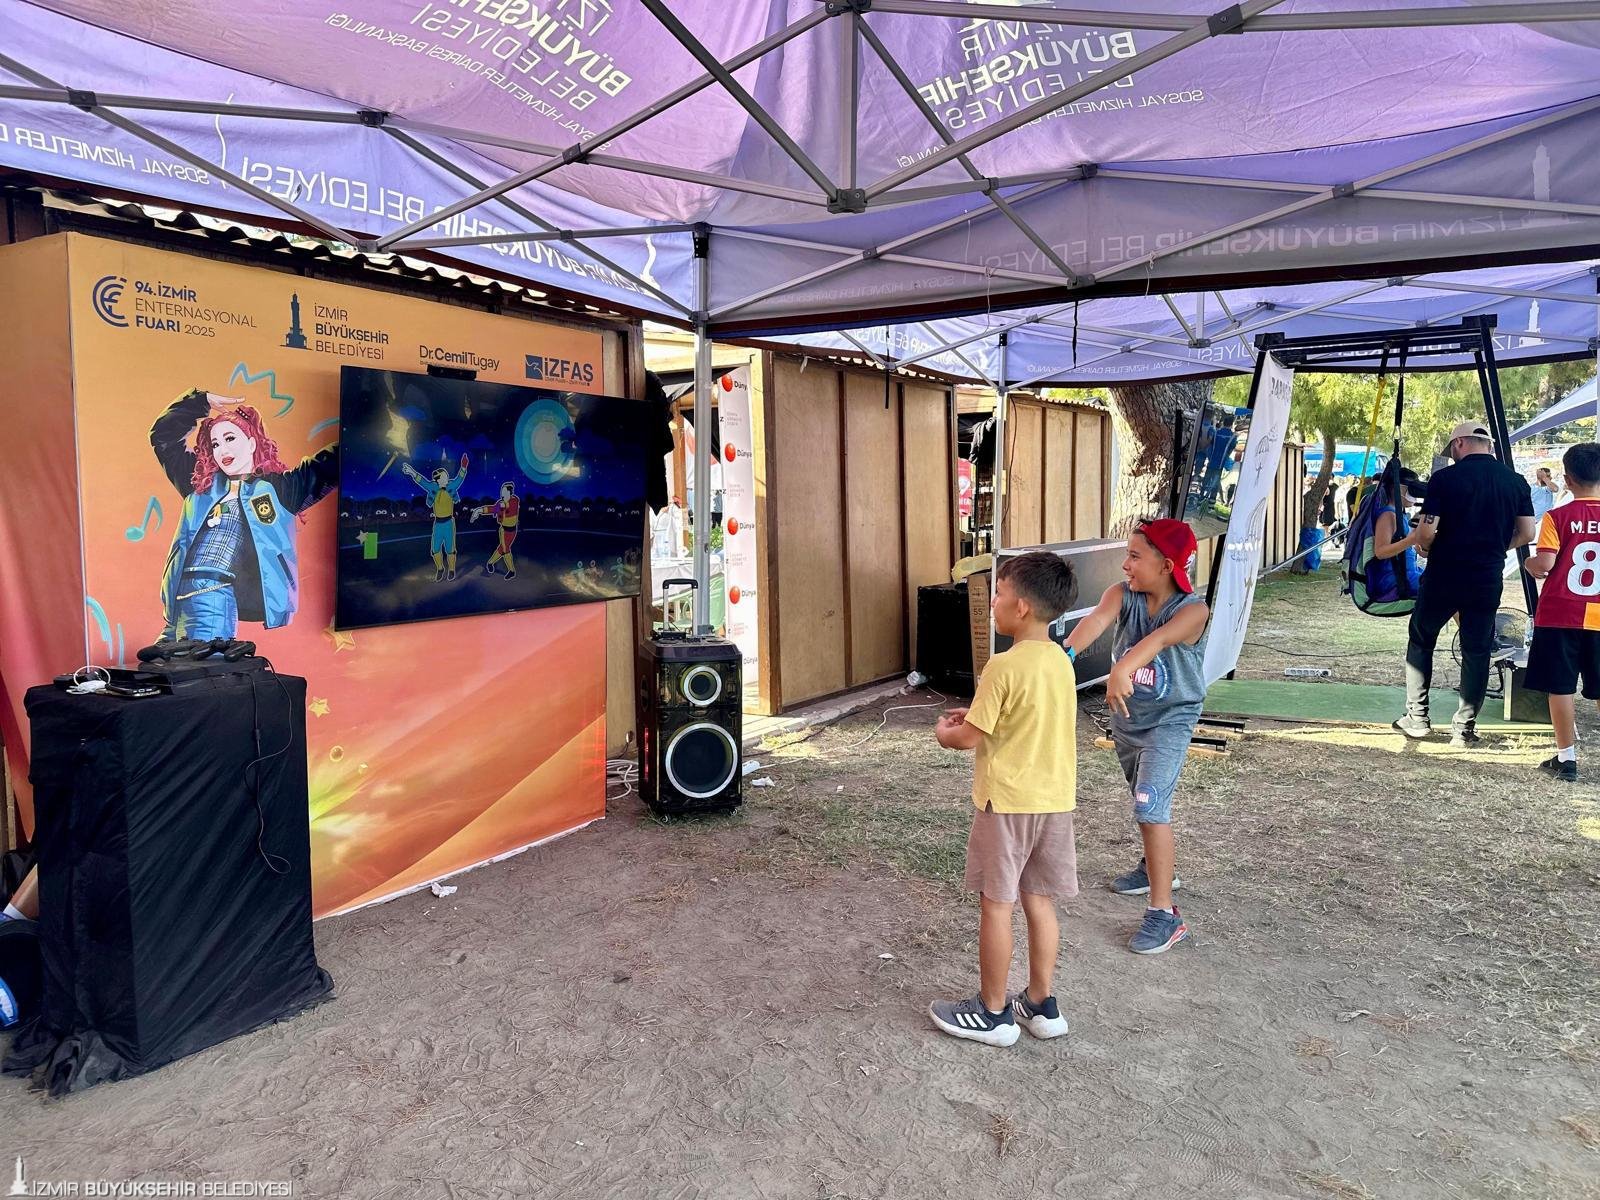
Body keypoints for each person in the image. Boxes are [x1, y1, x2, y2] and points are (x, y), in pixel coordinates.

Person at [929, 552, 1079, 1046]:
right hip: (1053, 803)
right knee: (1039, 900)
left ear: (1021, 607)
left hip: (1007, 805)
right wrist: (975, 713)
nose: (992, 602)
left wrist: (945, 732)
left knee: (997, 904)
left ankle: (993, 1012)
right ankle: (1040, 1003)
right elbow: (1024, 716)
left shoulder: (1002, 664)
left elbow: (969, 738)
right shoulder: (1060, 662)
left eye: (998, 593)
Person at [1065, 519, 1209, 955]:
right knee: (1147, 802)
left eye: (1134, 556)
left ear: (1166, 566)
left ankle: (1165, 915)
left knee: (1148, 805)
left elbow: (1160, 640)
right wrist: (1061, 656)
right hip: (1129, 721)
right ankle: (1155, 868)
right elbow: (1094, 622)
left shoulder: (1193, 611)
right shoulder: (1121, 595)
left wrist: (1123, 667)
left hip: (1170, 720)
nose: (1125, 565)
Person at [151, 390, 338, 641]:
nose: (222, 449)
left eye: (230, 438)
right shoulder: (200, 482)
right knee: (165, 663)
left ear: (251, 443)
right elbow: (163, 437)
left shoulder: (281, 489)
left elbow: (333, 462)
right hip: (176, 603)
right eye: (215, 444)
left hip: (214, 595)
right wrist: (199, 402)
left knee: (201, 659)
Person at [1394, 421, 1536, 746]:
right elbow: (1527, 533)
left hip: (1444, 573)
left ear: (1459, 443)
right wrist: (1495, 547)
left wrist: (1427, 547)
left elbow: (1426, 531)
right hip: (1486, 576)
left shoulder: (1445, 479)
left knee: (1422, 639)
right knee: (1477, 649)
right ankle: (1464, 728)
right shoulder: (1515, 481)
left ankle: (1417, 718)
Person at [1522, 443, 1600, 781]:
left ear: (1567, 480)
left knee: (1561, 686)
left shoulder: (1558, 517)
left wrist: (1529, 563)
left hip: (1560, 614)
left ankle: (1566, 758)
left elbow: (1545, 564)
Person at [402, 454, 470, 581]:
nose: (447, 477)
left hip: (449, 523)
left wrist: (463, 467)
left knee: (450, 549)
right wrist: (412, 472)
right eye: (444, 476)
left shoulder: (451, 486)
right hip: (438, 524)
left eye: (446, 476)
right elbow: (422, 481)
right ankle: (440, 568)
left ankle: (451, 570)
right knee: (435, 549)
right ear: (438, 480)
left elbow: (459, 479)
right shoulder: (432, 487)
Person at [1365, 468, 1426, 601]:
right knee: (1449, 588)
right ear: (1396, 489)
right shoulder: (1388, 515)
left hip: (1408, 574)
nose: (1415, 493)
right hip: (1396, 581)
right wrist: (1411, 540)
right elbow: (1380, 552)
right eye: (1411, 488)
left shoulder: (1399, 515)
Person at [472, 482, 521, 580]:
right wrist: (479, 510)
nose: (502, 493)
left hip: (512, 531)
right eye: (501, 491)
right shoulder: (500, 503)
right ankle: (511, 571)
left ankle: (490, 563)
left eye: (504, 491)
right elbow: (492, 509)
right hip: (503, 530)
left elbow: (507, 506)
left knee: (502, 548)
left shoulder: (514, 500)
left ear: (509, 493)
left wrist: (500, 506)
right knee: (505, 549)